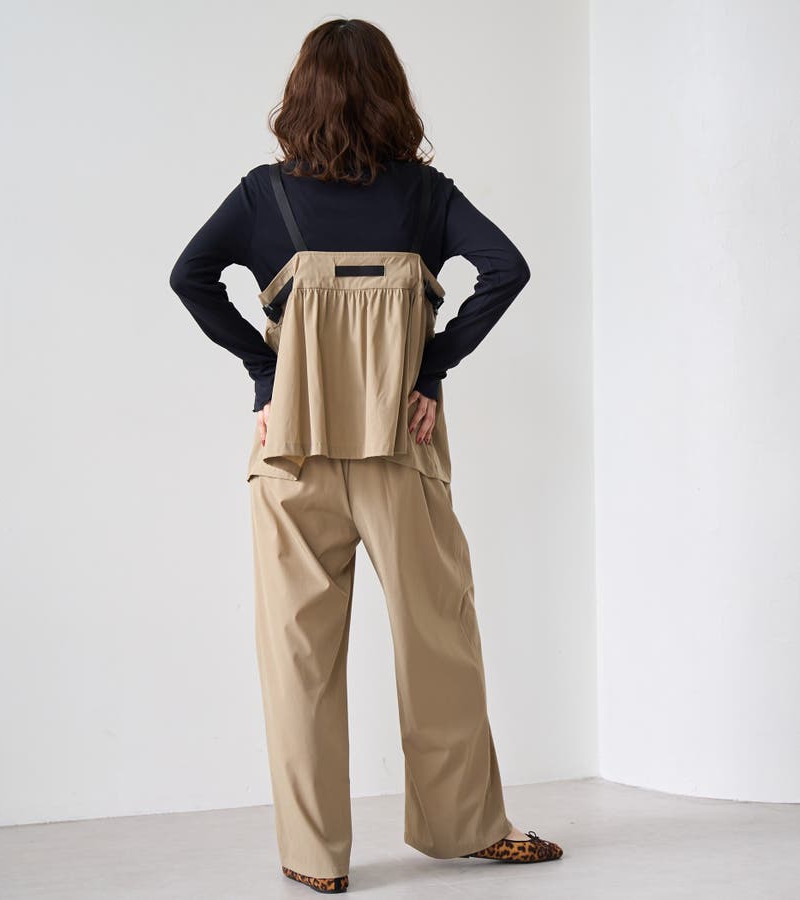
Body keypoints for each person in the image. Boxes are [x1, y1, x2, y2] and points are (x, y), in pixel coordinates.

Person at [168, 17, 563, 895]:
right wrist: (430, 367)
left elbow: (189, 276)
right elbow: (505, 268)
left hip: (291, 460)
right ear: (392, 93)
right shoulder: (424, 197)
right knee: (439, 643)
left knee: (297, 660)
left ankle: (313, 858)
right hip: (400, 457)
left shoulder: (262, 197)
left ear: (300, 95)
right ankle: (468, 828)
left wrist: (267, 374)